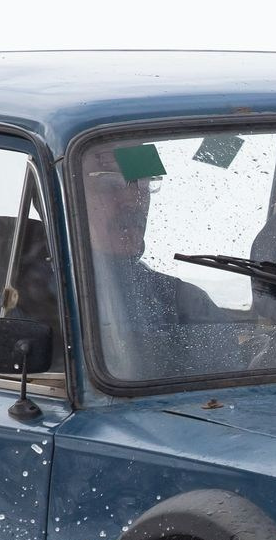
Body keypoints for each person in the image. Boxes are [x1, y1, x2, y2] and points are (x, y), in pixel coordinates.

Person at [83, 148, 233, 379]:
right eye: (112, 185)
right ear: (58, 197)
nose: (133, 202)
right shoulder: (21, 296)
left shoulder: (186, 306)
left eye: (144, 183)